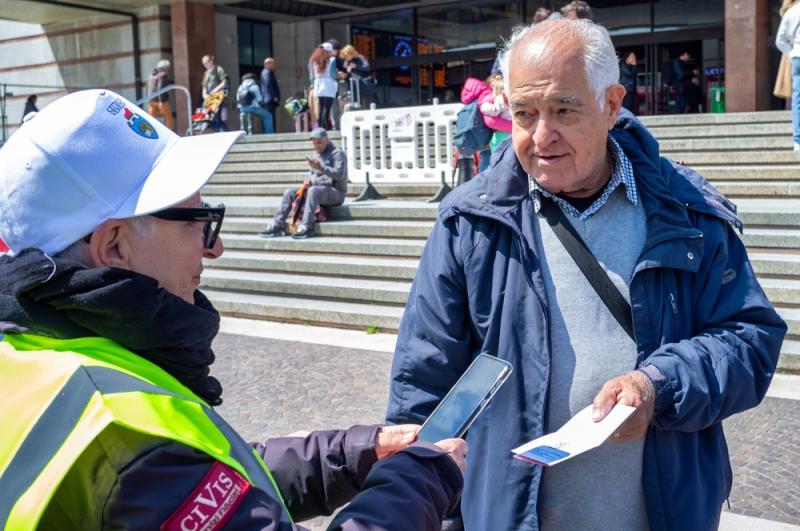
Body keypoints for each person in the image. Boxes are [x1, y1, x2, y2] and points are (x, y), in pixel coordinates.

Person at [0, 89, 466, 530]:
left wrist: (354, 453)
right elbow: (174, 474)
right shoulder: (123, 432)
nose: (216, 246)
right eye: (196, 222)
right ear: (114, 247)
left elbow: (212, 479)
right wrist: (421, 479)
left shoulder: (32, 352)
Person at [386, 18, 786, 531]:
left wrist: (659, 385)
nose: (541, 136)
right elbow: (423, 387)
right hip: (507, 516)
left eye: (564, 110)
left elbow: (749, 339)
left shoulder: (688, 212)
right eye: (524, 114)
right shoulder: (470, 223)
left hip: (663, 513)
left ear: (612, 104)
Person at [259, 127, 346, 239]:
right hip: (318, 191)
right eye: (314, 143)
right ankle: (277, 225)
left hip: (336, 193)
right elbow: (315, 176)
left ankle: (306, 227)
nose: (316, 146)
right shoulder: (316, 154)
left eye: (319, 143)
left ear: (327, 140)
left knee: (313, 190)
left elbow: (339, 175)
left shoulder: (337, 154)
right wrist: (309, 182)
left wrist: (321, 167)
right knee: (290, 192)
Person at [777, 0, 800, 150]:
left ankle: (798, 140)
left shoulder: (791, 12)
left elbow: (780, 40)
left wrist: (791, 50)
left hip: (797, 56)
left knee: (797, 98)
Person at [479, 74, 512, 153]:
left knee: (496, 147)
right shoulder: (510, 97)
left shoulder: (500, 99)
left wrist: (483, 107)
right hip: (510, 129)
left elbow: (495, 111)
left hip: (503, 133)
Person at [309, 43, 337, 130]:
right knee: (327, 107)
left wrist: (313, 83)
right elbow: (333, 74)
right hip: (329, 84)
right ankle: (324, 128)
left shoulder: (314, 60)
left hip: (318, 83)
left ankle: (320, 127)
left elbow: (311, 75)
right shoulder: (332, 59)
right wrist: (338, 76)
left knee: (321, 106)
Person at [340, 44, 374, 109]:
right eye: (345, 57)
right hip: (354, 85)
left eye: (347, 56)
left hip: (364, 83)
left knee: (368, 102)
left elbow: (367, 67)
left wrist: (356, 66)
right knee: (356, 103)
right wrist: (346, 73)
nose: (346, 58)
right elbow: (347, 73)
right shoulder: (346, 61)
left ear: (351, 53)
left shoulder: (360, 57)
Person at [201, 54, 229, 132]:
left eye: (206, 62)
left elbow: (224, 82)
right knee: (209, 118)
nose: (205, 65)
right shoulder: (206, 73)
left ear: (211, 61)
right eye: (203, 63)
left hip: (218, 97)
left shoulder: (218, 69)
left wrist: (215, 90)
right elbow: (204, 85)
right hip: (209, 98)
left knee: (218, 118)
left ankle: (225, 135)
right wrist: (204, 94)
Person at [147, 59, 174, 131]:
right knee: (169, 119)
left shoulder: (151, 75)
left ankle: (150, 133)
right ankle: (170, 133)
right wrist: (161, 101)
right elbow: (160, 88)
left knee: (150, 121)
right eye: (167, 68)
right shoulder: (163, 75)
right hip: (161, 101)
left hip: (151, 101)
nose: (168, 70)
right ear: (164, 68)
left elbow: (148, 88)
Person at [260, 57, 281, 134]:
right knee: (270, 117)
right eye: (273, 64)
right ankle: (270, 133)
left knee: (270, 117)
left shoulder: (267, 73)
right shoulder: (267, 72)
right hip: (269, 99)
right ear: (268, 64)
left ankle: (270, 132)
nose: (275, 66)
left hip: (268, 98)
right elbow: (268, 85)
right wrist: (274, 96)